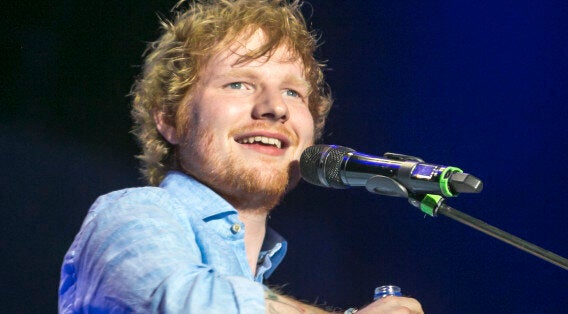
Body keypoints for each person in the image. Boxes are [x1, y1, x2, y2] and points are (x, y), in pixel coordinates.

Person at [58, 0, 424, 313]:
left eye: (293, 92)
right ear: (170, 119)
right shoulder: (130, 212)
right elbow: (185, 303)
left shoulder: (263, 274)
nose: (275, 107)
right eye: (239, 84)